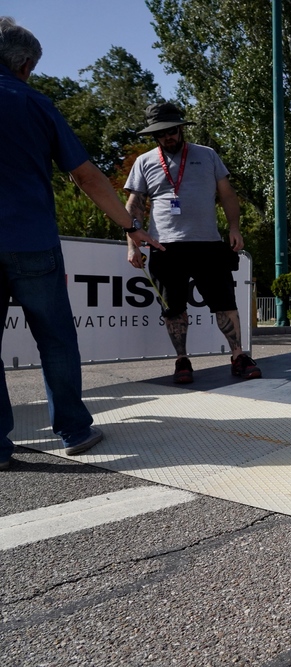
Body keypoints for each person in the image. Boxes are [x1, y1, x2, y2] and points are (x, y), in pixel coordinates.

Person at [0, 17, 163, 470]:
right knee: (54, 339)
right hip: (30, 240)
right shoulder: (35, 103)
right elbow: (87, 176)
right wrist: (130, 225)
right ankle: (73, 429)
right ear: (26, 64)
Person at [124, 102, 261, 384]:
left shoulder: (207, 155)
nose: (167, 137)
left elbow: (227, 194)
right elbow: (134, 206)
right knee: (173, 309)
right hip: (164, 246)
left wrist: (234, 228)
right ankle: (182, 361)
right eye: (160, 134)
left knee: (224, 303)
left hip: (208, 244)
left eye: (172, 131)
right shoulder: (145, 161)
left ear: (181, 128)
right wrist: (131, 245)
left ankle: (238, 356)